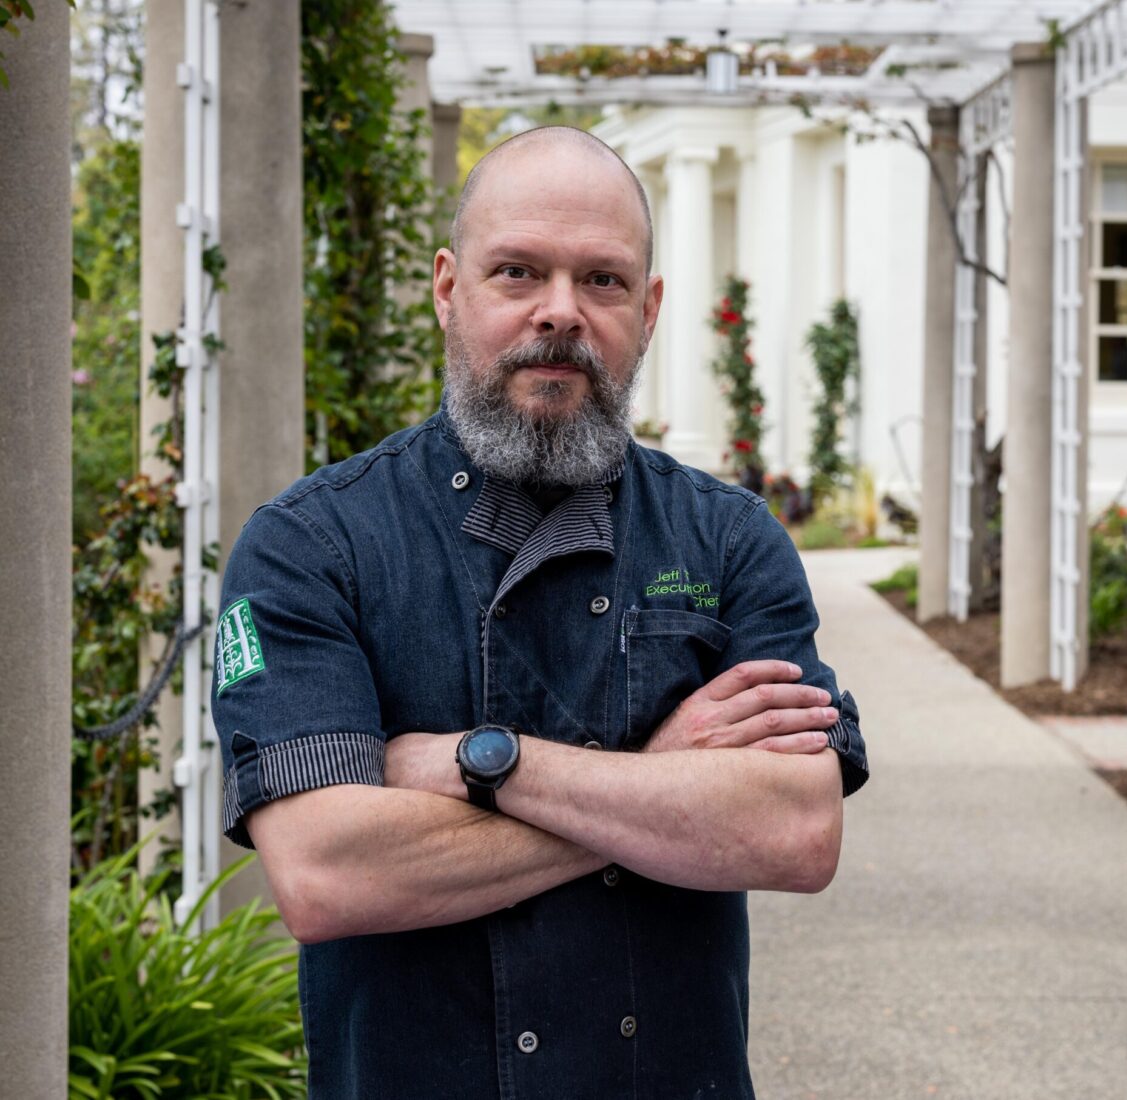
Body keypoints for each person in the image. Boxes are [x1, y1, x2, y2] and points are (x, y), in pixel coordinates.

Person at [213, 126, 868, 1100]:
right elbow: (323, 874)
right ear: (448, 289)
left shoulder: (730, 541)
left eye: (601, 281)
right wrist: (662, 785)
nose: (560, 312)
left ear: (647, 311)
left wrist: (477, 761)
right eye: (518, 271)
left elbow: (796, 832)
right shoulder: (312, 546)